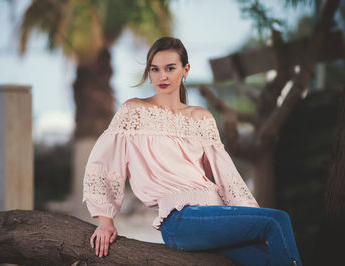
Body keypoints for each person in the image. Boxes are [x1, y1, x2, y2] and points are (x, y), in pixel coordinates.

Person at [82, 36, 303, 266]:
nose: (162, 76)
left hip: (218, 216)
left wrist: (249, 217)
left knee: (267, 260)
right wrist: (105, 220)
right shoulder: (134, 111)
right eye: (155, 69)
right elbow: (104, 165)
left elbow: (227, 177)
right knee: (277, 220)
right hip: (181, 220)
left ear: (185, 70)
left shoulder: (202, 118)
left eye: (170, 68)